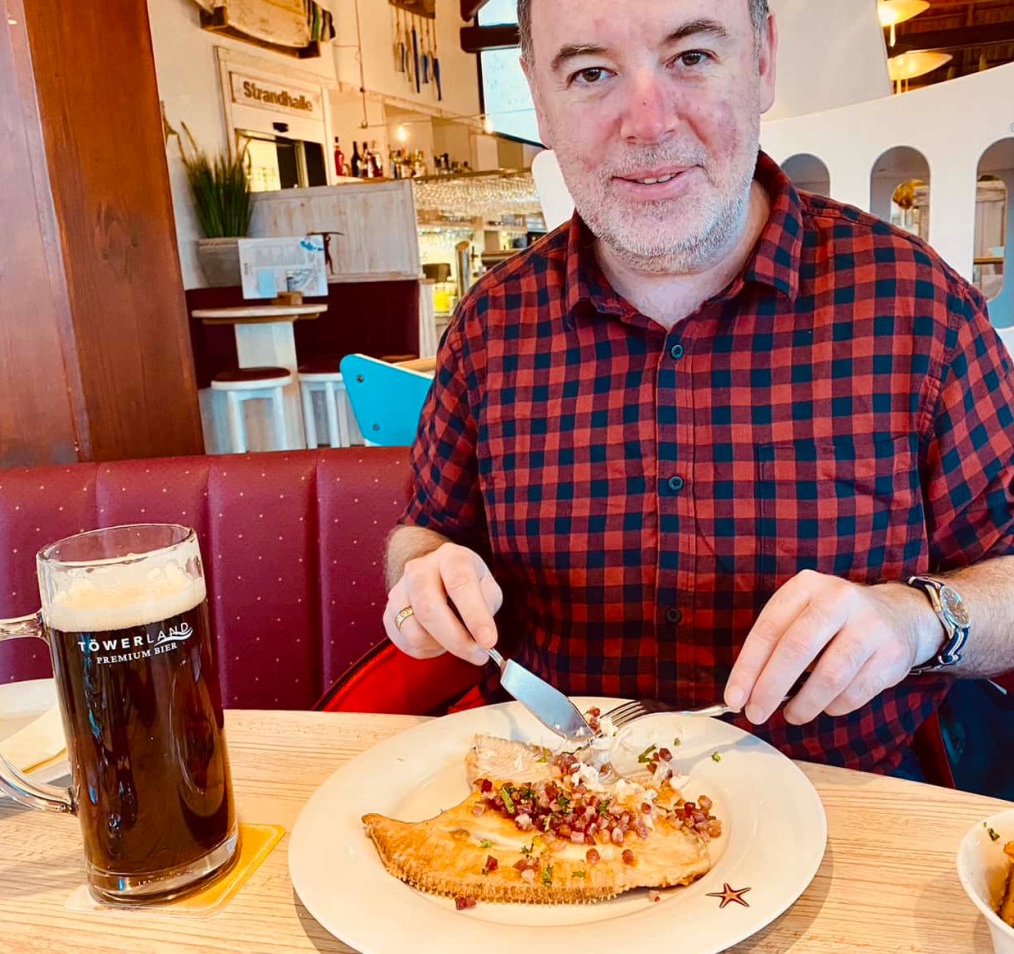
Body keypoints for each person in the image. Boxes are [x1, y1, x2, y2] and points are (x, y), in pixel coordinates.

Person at [381, 0, 1014, 776]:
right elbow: (424, 531)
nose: (647, 124)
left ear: (763, 60)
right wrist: (425, 575)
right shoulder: (491, 325)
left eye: (692, 58)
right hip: (552, 805)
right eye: (591, 73)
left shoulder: (917, 306)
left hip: (850, 798)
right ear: (540, 97)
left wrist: (916, 619)